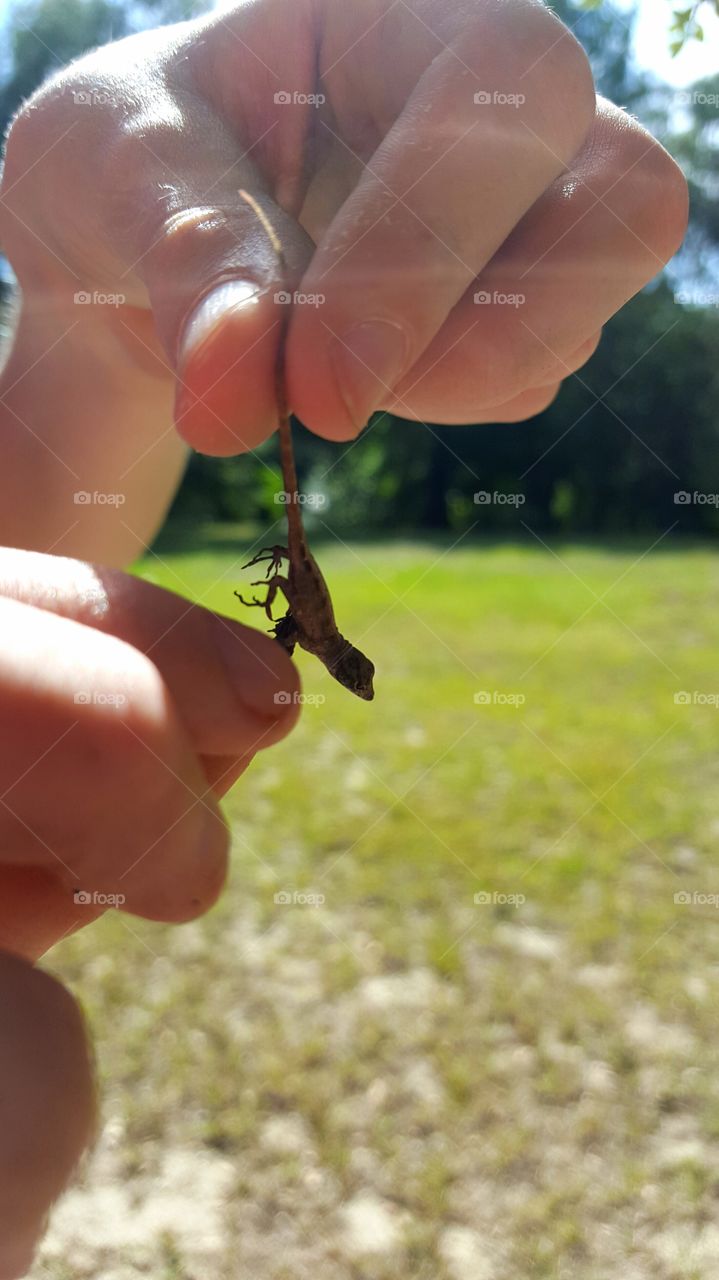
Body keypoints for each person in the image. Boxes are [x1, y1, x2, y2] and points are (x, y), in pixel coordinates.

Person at [0, 0, 688, 1271]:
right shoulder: (303, 610)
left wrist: (94, 326)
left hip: (278, 543)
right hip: (292, 567)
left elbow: (24, 531)